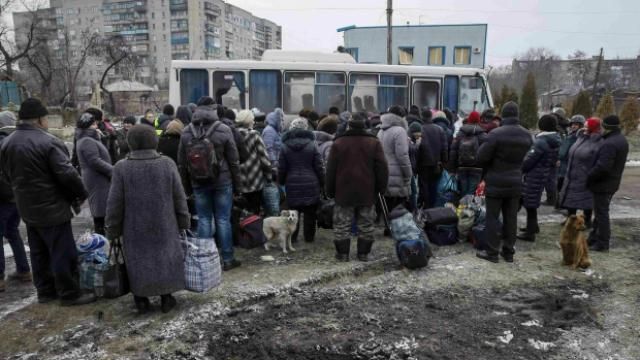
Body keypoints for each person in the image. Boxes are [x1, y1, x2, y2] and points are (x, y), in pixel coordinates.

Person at [0, 98, 93, 305]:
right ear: (40, 119)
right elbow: (67, 174)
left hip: (27, 208)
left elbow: (6, 176)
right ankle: (69, 293)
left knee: (39, 252)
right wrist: (81, 193)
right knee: (62, 252)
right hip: (53, 207)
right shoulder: (48, 142)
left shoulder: (7, 143)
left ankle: (45, 291)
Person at [106, 125, 189, 314]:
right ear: (155, 140)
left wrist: (112, 229)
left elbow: (114, 203)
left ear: (130, 142)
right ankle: (166, 297)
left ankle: (141, 300)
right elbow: (179, 196)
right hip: (165, 223)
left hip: (134, 227)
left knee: (138, 261)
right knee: (164, 258)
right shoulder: (167, 164)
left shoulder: (121, 167)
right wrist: (184, 221)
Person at [178, 96, 242, 271]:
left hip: (198, 182)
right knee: (223, 219)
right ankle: (228, 259)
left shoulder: (186, 132)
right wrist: (238, 186)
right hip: (223, 181)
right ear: (213, 110)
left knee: (205, 220)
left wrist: (187, 187)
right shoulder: (223, 129)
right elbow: (234, 160)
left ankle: (204, 260)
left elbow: (182, 163)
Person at [475, 101, 533, 263]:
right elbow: (529, 158)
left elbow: (480, 158)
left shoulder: (495, 134)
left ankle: (492, 252)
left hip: (495, 181)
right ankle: (508, 252)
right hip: (516, 181)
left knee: (492, 218)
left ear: (504, 115)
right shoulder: (527, 134)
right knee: (511, 218)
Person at [326, 114, 388, 261]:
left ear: (349, 125)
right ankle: (363, 253)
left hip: (343, 190)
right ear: (365, 125)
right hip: (367, 189)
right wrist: (381, 189)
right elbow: (382, 168)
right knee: (366, 224)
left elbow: (330, 170)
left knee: (342, 224)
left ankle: (342, 254)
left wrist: (329, 190)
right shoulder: (374, 143)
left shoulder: (338, 143)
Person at [586, 115, 629, 252]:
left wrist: (589, 176)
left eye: (603, 126)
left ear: (607, 127)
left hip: (603, 184)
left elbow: (603, 167)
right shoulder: (620, 140)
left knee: (601, 213)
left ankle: (602, 243)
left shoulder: (610, 143)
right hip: (611, 182)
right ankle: (593, 238)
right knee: (600, 212)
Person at [517, 115, 562, 242]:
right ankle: (533, 226)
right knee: (532, 201)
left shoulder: (541, 142)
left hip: (534, 175)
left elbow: (529, 161)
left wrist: (521, 168)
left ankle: (530, 233)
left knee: (530, 203)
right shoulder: (555, 139)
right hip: (543, 173)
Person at [278, 118, 323, 243]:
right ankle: (309, 238)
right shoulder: (312, 144)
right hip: (311, 182)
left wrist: (281, 181)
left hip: (291, 183)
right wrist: (322, 182)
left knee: (293, 212)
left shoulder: (284, 146)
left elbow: (281, 167)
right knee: (310, 212)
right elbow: (319, 166)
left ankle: (293, 237)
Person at [0, 115, 32, 292]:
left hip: (2, 198)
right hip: (16, 195)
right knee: (13, 232)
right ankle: (24, 270)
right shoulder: (15, 143)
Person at [75, 113, 113, 236]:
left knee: (100, 208)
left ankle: (101, 235)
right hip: (97, 180)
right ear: (89, 125)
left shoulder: (88, 138)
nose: (97, 126)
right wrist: (113, 171)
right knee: (100, 210)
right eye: (94, 124)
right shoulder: (87, 140)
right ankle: (100, 237)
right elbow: (95, 161)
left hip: (98, 178)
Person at [559, 117, 602, 227]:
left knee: (586, 200)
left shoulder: (598, 142)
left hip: (585, 175)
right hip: (572, 173)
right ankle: (570, 219)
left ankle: (586, 221)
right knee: (570, 199)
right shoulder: (581, 137)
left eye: (587, 126)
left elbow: (598, 160)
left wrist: (589, 173)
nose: (584, 128)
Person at [235, 110, 272, 214]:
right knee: (254, 211)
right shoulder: (255, 135)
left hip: (239, 180)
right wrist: (269, 177)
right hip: (255, 180)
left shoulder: (232, 134)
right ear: (250, 121)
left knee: (240, 211)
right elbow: (264, 158)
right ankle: (253, 228)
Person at [377, 110, 412, 214]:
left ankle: (388, 228)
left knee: (388, 206)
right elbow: (402, 156)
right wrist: (408, 174)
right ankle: (397, 229)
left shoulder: (381, 131)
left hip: (385, 172)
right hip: (398, 174)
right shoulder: (400, 131)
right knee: (399, 210)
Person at [449, 111, 487, 196]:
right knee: (471, 193)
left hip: (462, 167)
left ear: (469, 119)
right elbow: (486, 154)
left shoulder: (460, 133)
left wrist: (452, 169)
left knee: (463, 192)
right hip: (477, 168)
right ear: (478, 120)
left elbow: (453, 151)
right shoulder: (483, 135)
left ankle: (462, 207)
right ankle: (469, 207)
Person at [416, 106, 448, 209]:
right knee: (434, 186)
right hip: (436, 164)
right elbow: (444, 147)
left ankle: (426, 206)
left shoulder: (420, 129)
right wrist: (444, 161)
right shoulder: (439, 129)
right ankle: (433, 208)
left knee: (424, 186)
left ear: (422, 117)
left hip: (423, 164)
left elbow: (417, 148)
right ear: (431, 117)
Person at [557, 115, 585, 204]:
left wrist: (558, 157)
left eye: (576, 124)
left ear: (581, 126)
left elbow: (562, 153)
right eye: (572, 124)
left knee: (562, 185)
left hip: (565, 165)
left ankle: (561, 204)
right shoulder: (582, 137)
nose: (573, 126)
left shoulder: (572, 137)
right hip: (572, 166)